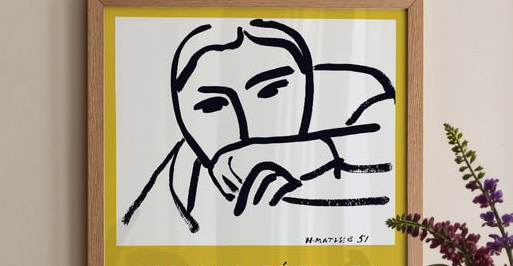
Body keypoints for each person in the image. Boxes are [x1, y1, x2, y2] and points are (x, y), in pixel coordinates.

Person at [120, 17, 396, 240]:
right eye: (212, 106)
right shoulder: (171, 188)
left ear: (309, 82)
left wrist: (295, 153)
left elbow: (398, 143)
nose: (246, 129)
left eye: (271, 91)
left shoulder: (357, 96)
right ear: (180, 115)